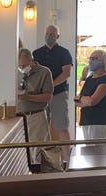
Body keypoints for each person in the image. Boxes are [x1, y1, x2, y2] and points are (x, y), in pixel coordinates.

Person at [33, 25, 73, 161]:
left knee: (62, 125)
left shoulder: (64, 53)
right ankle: (43, 159)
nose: (49, 36)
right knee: (40, 127)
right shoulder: (37, 53)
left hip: (59, 94)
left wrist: (50, 85)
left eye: (52, 34)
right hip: (40, 96)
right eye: (47, 33)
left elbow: (66, 73)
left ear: (57, 36)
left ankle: (67, 159)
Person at [17, 48, 54, 163]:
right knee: (19, 152)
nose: (21, 68)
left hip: (36, 115)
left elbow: (48, 96)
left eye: (24, 65)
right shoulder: (14, 71)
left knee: (36, 152)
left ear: (32, 61)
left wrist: (27, 96)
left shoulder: (44, 72)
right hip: (17, 117)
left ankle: (35, 178)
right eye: (19, 66)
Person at [75, 49, 106, 140]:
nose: (90, 61)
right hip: (87, 120)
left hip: (100, 122)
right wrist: (84, 99)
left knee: (100, 152)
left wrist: (83, 99)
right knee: (89, 151)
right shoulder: (90, 78)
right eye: (90, 58)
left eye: (94, 58)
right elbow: (76, 101)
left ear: (103, 61)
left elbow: (92, 101)